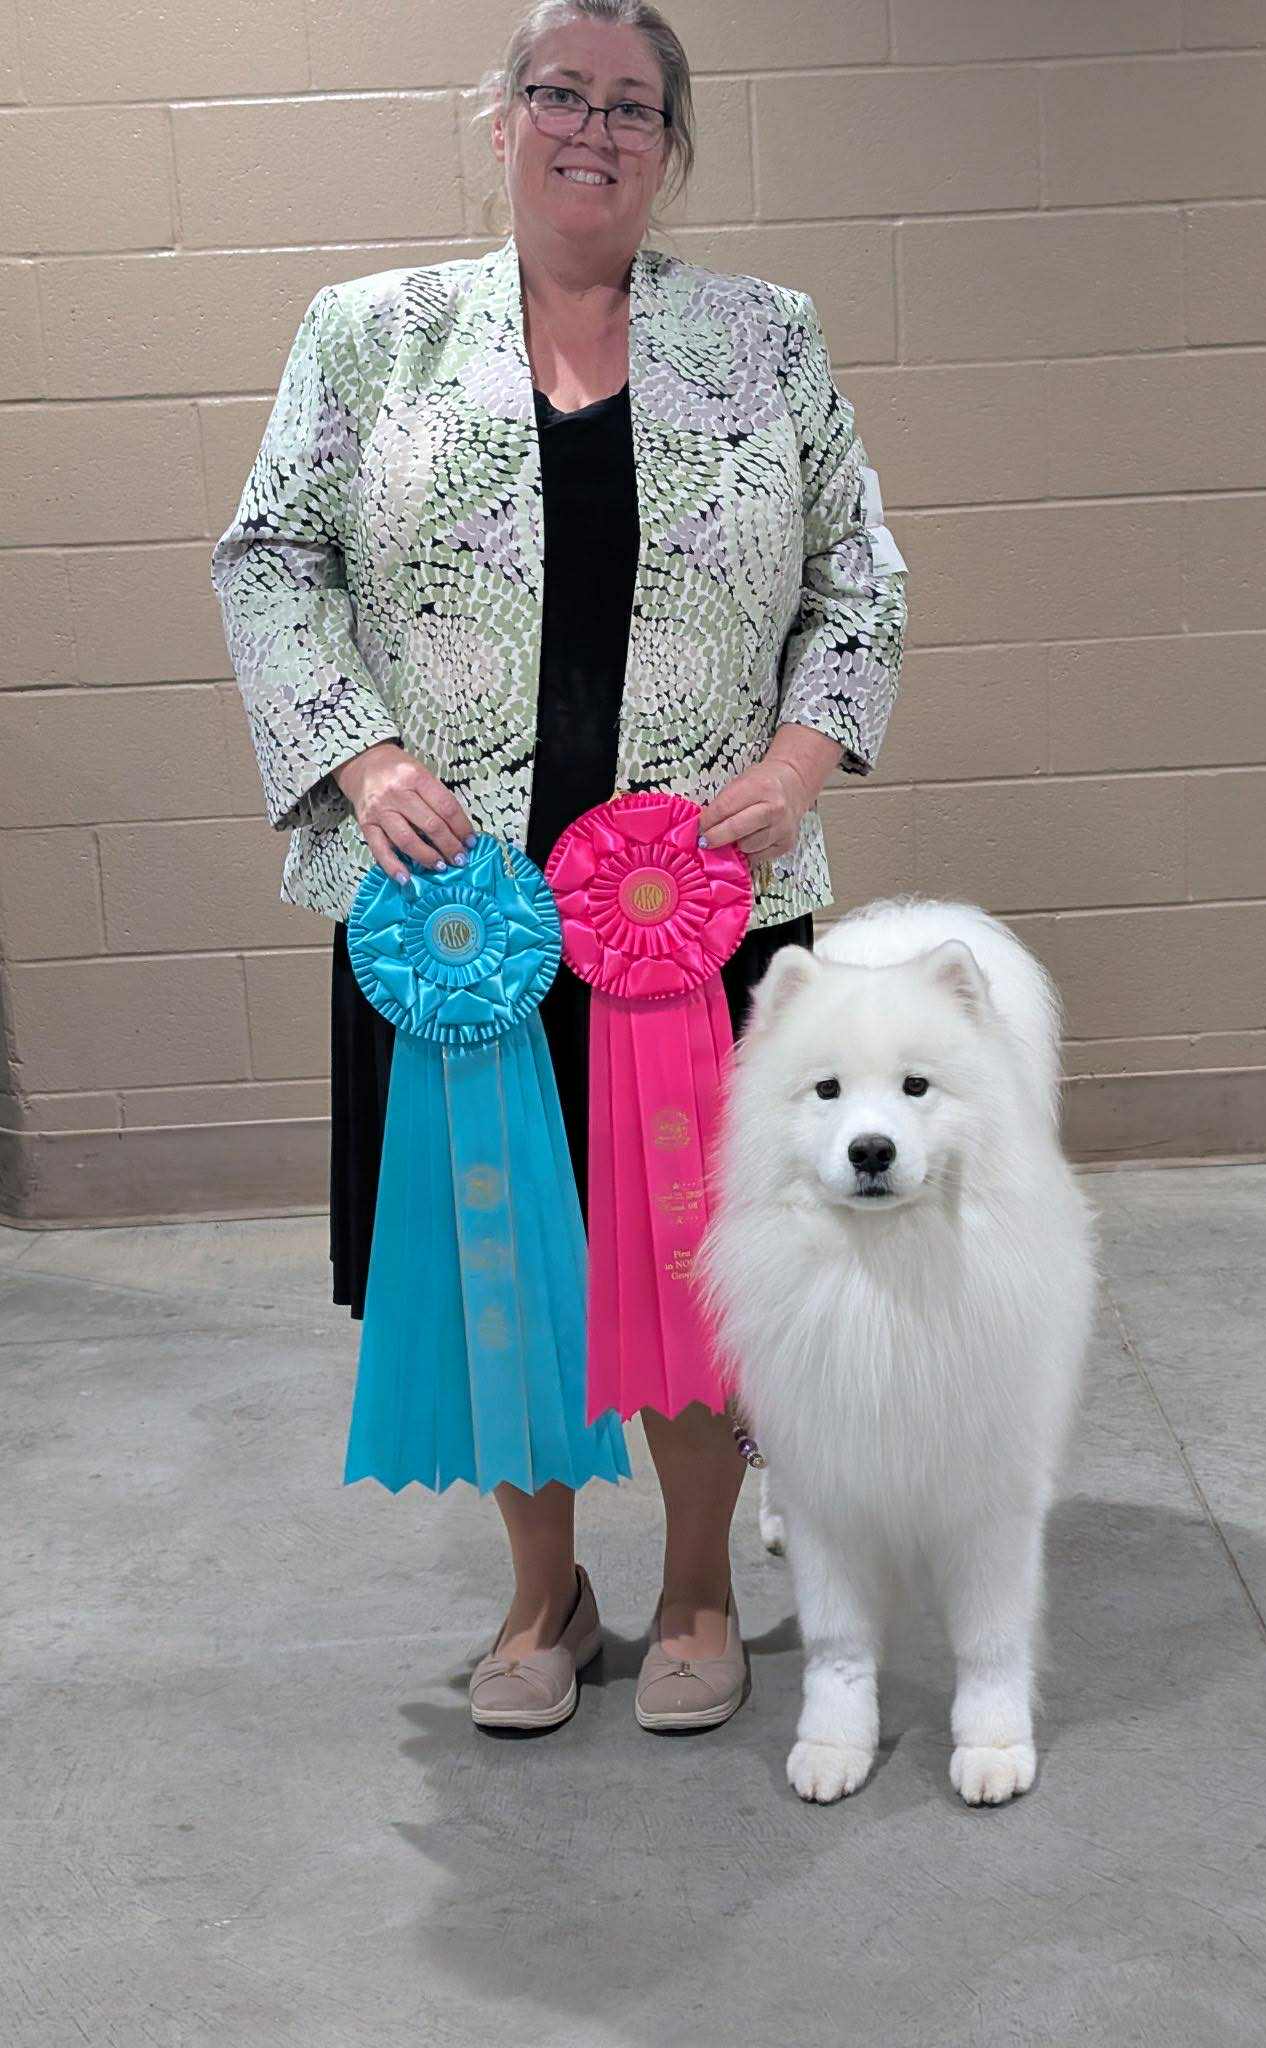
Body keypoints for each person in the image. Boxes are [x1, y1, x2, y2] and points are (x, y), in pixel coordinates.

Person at [210, 0, 907, 1736]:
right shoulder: (366, 335)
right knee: (498, 1255)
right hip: (457, 910)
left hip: (705, 909)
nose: (590, 127)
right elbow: (269, 559)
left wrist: (797, 762)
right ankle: (543, 1591)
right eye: (558, 92)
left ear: (672, 144)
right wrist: (358, 754)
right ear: (501, 119)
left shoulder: (763, 339)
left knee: (703, 1259)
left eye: (630, 103)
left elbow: (862, 578)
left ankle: (695, 1584)